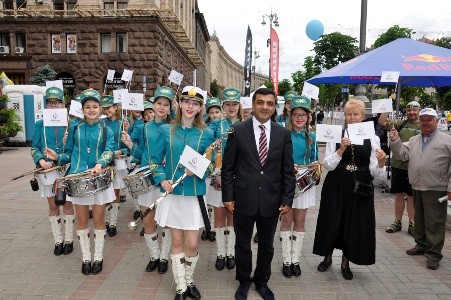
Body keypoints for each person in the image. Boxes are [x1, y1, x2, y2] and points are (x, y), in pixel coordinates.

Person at [222, 87, 295, 300]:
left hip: (271, 200)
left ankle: (262, 281)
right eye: (260, 102)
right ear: (253, 105)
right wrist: (228, 196)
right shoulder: (238, 130)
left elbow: (287, 169)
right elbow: (228, 167)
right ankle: (244, 280)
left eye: (269, 104)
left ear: (274, 108)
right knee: (242, 244)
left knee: (267, 245)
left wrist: (287, 198)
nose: (264, 107)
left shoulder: (283, 134)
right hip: (243, 198)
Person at [313, 98, 386, 280]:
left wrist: (382, 163)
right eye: (349, 114)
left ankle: (346, 263)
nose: (352, 118)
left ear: (363, 116)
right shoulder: (337, 134)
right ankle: (327, 257)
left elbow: (375, 171)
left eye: (356, 114)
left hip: (359, 185)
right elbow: (328, 165)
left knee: (353, 223)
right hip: (336, 182)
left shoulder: (372, 137)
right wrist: (340, 150)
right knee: (332, 219)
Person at [152, 86, 214, 300]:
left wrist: (197, 168)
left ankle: (189, 279)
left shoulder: (207, 134)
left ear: (200, 108)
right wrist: (162, 179)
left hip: (195, 194)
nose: (190, 106)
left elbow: (212, 166)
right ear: (179, 104)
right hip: (173, 194)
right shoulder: (166, 130)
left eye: (195, 104)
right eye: (187, 102)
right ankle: (180, 286)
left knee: (193, 243)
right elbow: (154, 161)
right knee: (177, 241)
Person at [45, 88, 115, 275]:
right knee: (82, 219)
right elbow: (68, 154)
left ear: (100, 108)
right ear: (82, 109)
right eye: (87, 107)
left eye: (95, 106)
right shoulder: (75, 127)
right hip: (77, 179)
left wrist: (100, 163)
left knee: (99, 219)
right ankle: (86, 258)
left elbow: (109, 150)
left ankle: (98, 257)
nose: (92, 110)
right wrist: (57, 156)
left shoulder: (106, 129)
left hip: (98, 178)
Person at [389, 108, 451, 270]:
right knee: (420, 219)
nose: (425, 122)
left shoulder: (447, 140)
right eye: (423, 119)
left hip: (436, 188)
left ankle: (434, 254)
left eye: (429, 119)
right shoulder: (415, 139)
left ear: (436, 121)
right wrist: (395, 141)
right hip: (417, 185)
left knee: (435, 223)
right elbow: (401, 155)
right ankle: (421, 244)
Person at [122, 87, 174, 274]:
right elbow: (141, 154)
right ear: (153, 105)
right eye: (159, 103)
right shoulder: (144, 128)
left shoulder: (174, 128)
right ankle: (154, 254)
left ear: (170, 107)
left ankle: (164, 256)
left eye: (165, 104)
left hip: (166, 179)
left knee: (166, 220)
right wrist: (129, 144)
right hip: (146, 177)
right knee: (148, 219)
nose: (161, 107)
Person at [31, 87, 75, 256]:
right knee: (53, 204)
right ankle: (58, 240)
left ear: (63, 104)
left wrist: (59, 157)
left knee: (68, 203)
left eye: (57, 102)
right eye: (50, 102)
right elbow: (34, 147)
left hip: (66, 169)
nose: (53, 106)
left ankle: (69, 239)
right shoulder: (39, 124)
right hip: (47, 170)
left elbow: (72, 151)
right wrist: (40, 160)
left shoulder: (70, 124)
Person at [279, 96, 318, 278]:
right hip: (286, 183)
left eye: (303, 114)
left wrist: (315, 165)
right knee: (286, 221)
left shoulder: (312, 136)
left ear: (308, 116)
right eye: (296, 114)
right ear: (290, 115)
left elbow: (314, 160)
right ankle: (286, 261)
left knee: (300, 222)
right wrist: (288, 166)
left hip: (304, 184)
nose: (299, 118)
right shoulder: (282, 134)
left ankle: (296, 260)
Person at [208, 88, 242, 271]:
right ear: (223, 106)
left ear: (239, 105)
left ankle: (231, 253)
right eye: (227, 104)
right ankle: (221, 253)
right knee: (219, 216)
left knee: (234, 215)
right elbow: (207, 145)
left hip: (239, 175)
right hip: (219, 175)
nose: (231, 107)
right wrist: (214, 162)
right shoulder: (215, 125)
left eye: (234, 104)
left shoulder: (246, 124)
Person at [384, 101, 420, 236]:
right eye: (409, 110)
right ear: (406, 111)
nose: (412, 112)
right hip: (398, 165)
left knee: (411, 196)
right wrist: (387, 104)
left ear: (419, 110)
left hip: (414, 167)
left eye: (415, 110)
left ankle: (412, 224)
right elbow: (383, 122)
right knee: (399, 194)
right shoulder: (400, 124)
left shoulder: (423, 125)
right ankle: (397, 221)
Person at [101, 95, 129, 237]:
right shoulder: (102, 123)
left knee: (116, 191)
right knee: (105, 191)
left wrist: (119, 151)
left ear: (116, 107)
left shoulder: (123, 123)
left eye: (109, 108)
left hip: (117, 162)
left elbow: (128, 146)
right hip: (104, 162)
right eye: (104, 108)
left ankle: (113, 222)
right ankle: (105, 220)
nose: (106, 111)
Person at [202, 97, 223, 242]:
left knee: (216, 200)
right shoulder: (205, 128)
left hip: (219, 165)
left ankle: (214, 228)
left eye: (217, 112)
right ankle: (206, 226)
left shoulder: (223, 126)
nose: (215, 115)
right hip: (207, 165)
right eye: (212, 113)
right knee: (206, 199)